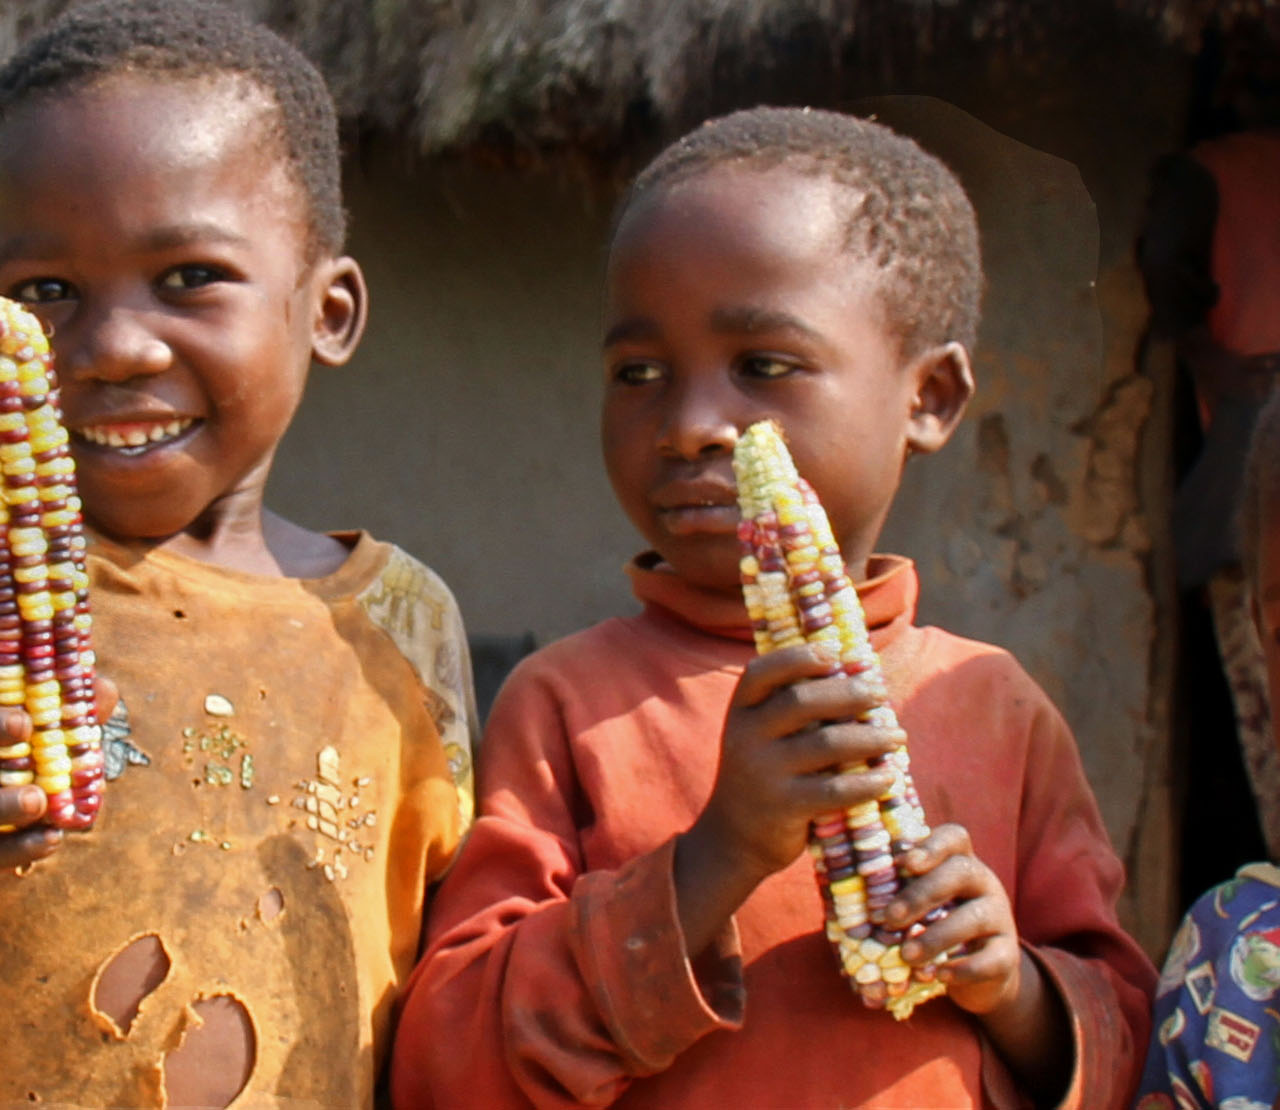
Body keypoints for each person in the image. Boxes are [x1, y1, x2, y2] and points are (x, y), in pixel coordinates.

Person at [0, 2, 477, 1104]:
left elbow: (426, 966)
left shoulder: (405, 626)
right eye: (47, 292)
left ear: (330, 309)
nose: (115, 348)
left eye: (190, 278)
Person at [389, 106, 1154, 1109]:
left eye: (763, 366)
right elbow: (452, 1057)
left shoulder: (999, 710)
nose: (693, 425)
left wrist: (1014, 989)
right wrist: (718, 856)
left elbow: (1133, 1038)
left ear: (928, 398)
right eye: (640, 374)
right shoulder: (568, 705)